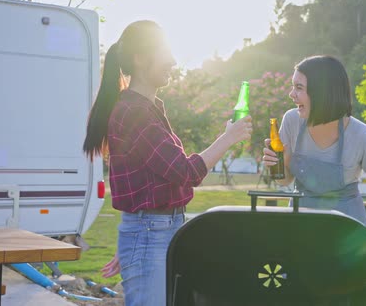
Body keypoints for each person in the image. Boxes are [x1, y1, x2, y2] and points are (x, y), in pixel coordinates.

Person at [82, 20, 252, 306]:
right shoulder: (136, 112)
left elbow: (151, 182)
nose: (173, 61)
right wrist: (228, 138)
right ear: (139, 58)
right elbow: (184, 172)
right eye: (165, 53)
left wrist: (136, 240)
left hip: (156, 231)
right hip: (151, 233)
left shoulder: (148, 108)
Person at [262, 55, 366, 289]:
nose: (291, 95)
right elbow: (286, 179)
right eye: (293, 87)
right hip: (301, 229)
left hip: (348, 235)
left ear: (323, 92)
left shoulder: (363, 137)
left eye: (299, 88)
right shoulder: (291, 121)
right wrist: (274, 167)